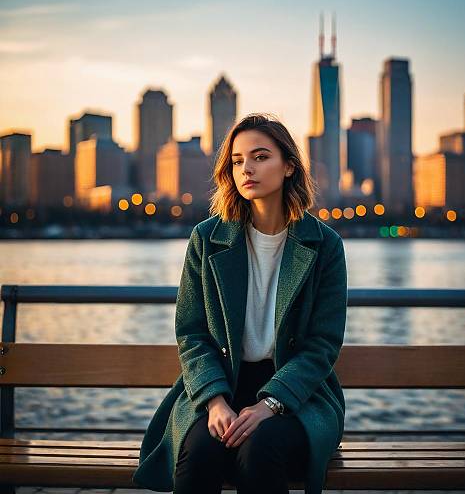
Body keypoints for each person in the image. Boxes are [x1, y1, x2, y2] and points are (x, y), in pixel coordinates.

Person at [132, 113, 348, 494]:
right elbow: (192, 332)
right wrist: (214, 402)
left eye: (261, 157)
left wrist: (271, 404)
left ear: (289, 167)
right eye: (237, 160)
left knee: (260, 446)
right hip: (223, 387)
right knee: (199, 451)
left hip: (295, 396)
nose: (246, 168)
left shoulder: (324, 244)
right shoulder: (206, 238)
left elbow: (322, 345)